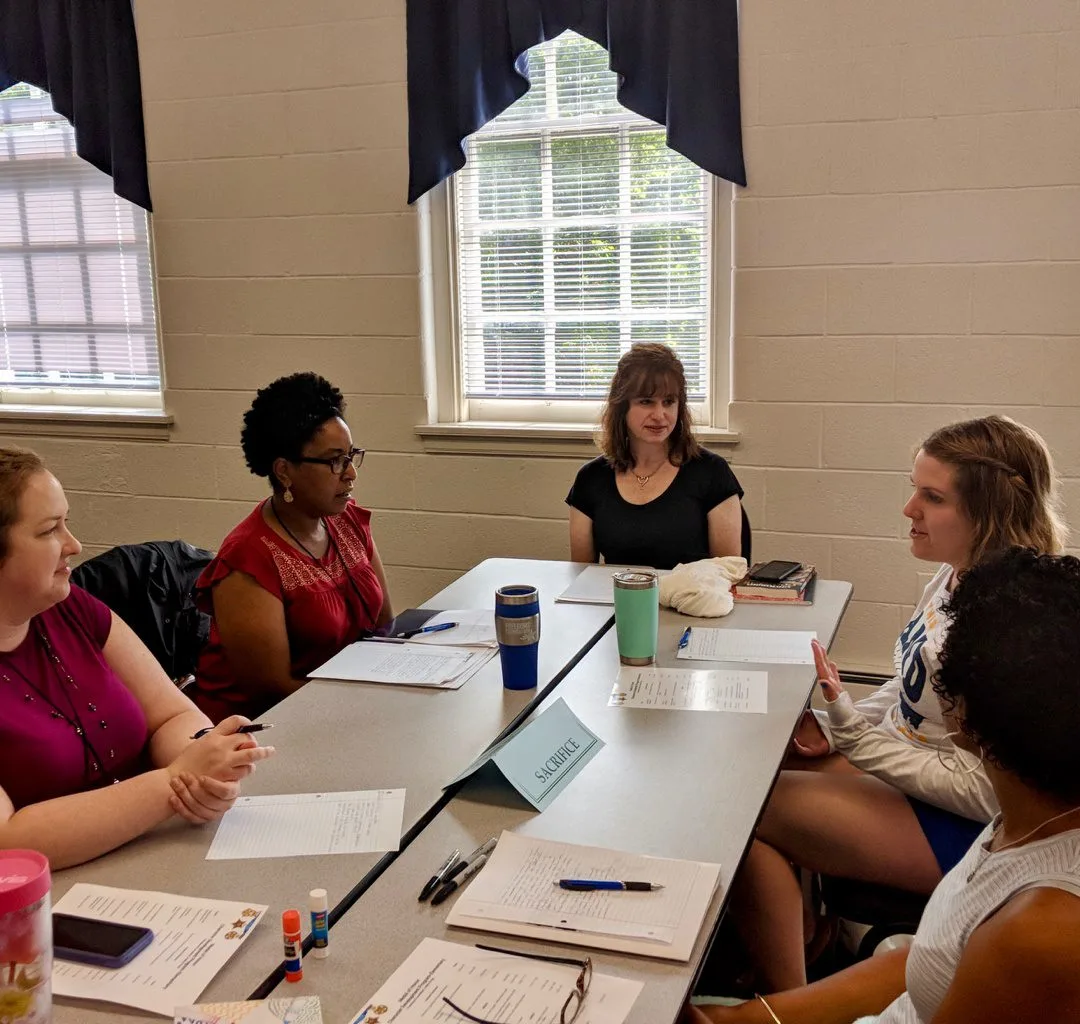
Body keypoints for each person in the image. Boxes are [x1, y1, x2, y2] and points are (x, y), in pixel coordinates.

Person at [728, 415, 1066, 992]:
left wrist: (856, 740)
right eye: (914, 489)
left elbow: (985, 789)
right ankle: (812, 932)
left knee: (744, 811)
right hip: (912, 770)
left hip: (958, 819)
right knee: (758, 761)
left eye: (931, 498)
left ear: (987, 514)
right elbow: (910, 687)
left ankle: (786, 999)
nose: (909, 509)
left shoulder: (1007, 625)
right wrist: (844, 726)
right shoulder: (954, 575)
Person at [687, 547, 1080, 1023]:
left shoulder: (1043, 929)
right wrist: (744, 1019)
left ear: (965, 713)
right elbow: (928, 968)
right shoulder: (1032, 813)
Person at [0, 448, 273, 869]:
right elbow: (8, 841)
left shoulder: (71, 608)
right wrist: (171, 784)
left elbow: (171, 714)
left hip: (148, 850)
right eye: (49, 530)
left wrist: (204, 763)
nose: (74, 545)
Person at [191, 372, 393, 723]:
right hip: (262, 731)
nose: (350, 474)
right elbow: (271, 689)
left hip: (343, 709)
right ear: (284, 471)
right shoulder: (248, 560)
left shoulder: (347, 521)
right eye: (334, 461)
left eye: (351, 456)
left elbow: (385, 623)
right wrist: (367, 703)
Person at [566, 343, 746, 570]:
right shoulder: (591, 478)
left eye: (669, 402)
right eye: (646, 401)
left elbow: (728, 572)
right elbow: (583, 575)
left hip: (691, 603)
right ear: (622, 407)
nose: (660, 415)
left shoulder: (711, 472)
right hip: (620, 602)